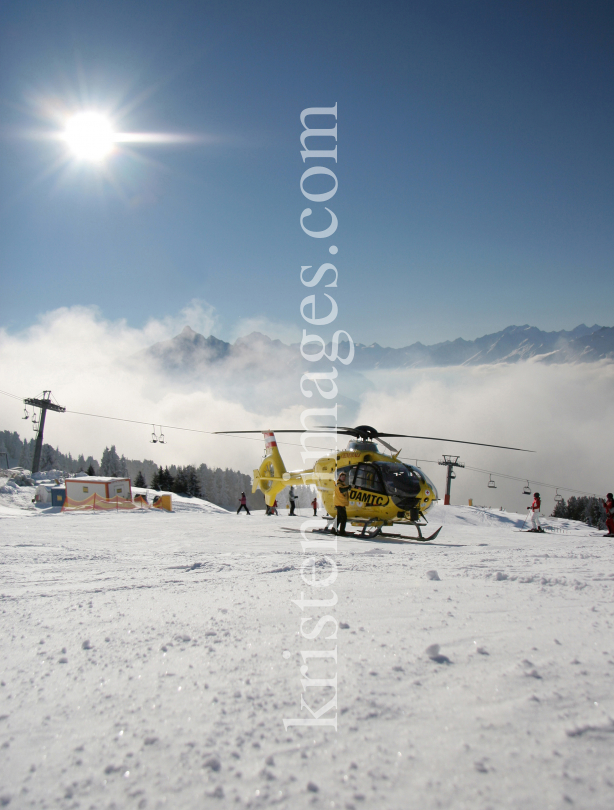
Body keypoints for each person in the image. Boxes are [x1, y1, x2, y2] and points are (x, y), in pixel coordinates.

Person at [333, 471, 350, 536]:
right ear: (339, 477)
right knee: (344, 517)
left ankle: (334, 530)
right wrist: (349, 487)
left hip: (340, 503)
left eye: (344, 477)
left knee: (339, 518)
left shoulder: (342, 484)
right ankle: (342, 531)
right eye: (342, 477)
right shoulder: (338, 484)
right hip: (339, 503)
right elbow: (341, 490)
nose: (343, 478)